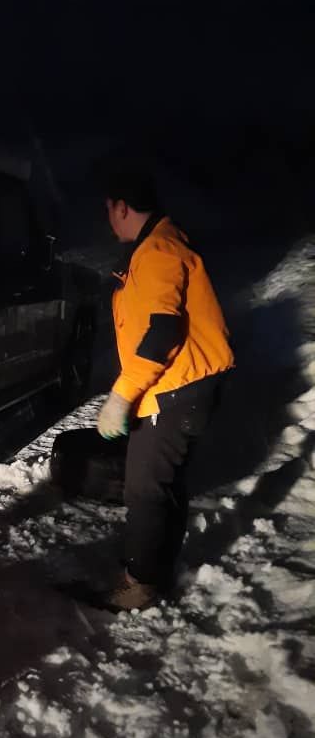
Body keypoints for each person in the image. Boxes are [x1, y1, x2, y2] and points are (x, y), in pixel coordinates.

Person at [95, 163, 234, 610]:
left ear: (121, 206)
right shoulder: (162, 244)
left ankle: (138, 586)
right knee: (165, 486)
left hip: (174, 390)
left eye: (108, 210)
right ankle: (156, 571)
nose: (108, 220)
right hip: (186, 389)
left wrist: (122, 395)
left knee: (145, 488)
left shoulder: (157, 250)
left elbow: (162, 332)